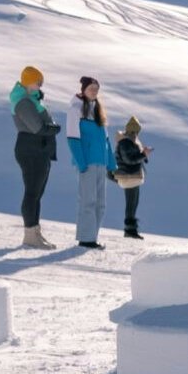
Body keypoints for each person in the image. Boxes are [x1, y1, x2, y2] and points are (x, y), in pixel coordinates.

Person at [8, 66, 60, 249]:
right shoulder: (23, 102)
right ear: (29, 81)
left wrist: (51, 127)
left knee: (37, 193)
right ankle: (30, 234)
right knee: (32, 193)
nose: (40, 86)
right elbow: (37, 127)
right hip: (30, 149)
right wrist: (55, 128)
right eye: (37, 82)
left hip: (39, 150)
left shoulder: (33, 100)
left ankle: (35, 232)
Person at [66, 76, 112, 249]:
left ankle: (92, 236)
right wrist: (81, 162)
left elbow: (106, 140)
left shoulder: (98, 110)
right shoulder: (75, 109)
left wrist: (111, 163)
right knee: (88, 201)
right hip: (87, 163)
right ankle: (86, 238)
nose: (94, 92)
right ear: (84, 89)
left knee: (101, 203)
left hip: (101, 162)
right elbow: (72, 138)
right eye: (91, 88)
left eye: (96, 89)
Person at [112, 116, 151, 240]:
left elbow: (133, 157)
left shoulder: (129, 141)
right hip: (129, 177)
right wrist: (143, 154)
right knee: (131, 204)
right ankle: (130, 230)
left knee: (133, 203)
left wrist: (143, 154)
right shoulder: (125, 142)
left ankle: (131, 229)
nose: (136, 133)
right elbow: (129, 159)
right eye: (135, 131)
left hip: (132, 177)